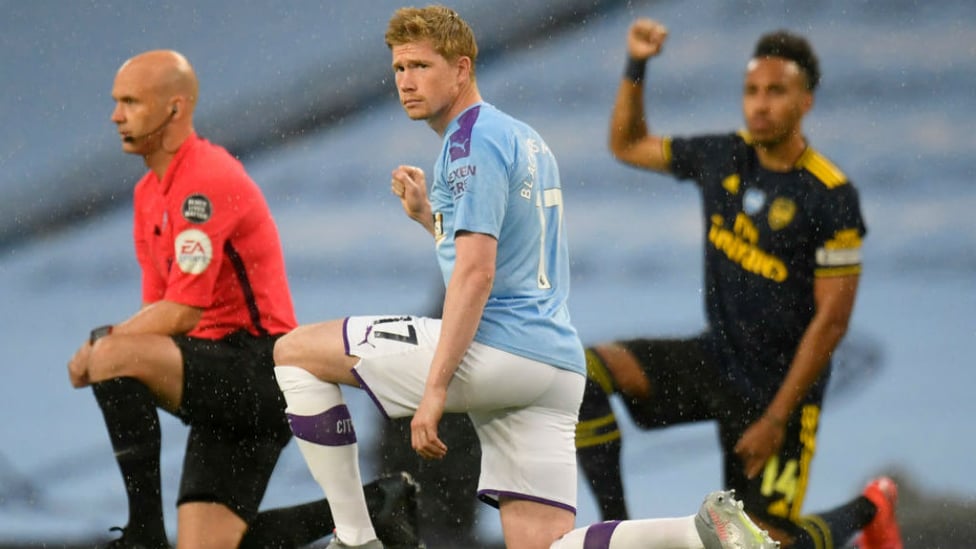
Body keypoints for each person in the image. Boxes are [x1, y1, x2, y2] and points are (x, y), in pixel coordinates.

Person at [272, 6, 779, 549]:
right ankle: (699, 533)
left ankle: (355, 538)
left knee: (296, 353)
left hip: (499, 351)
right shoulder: (524, 139)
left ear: (462, 69)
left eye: (420, 66)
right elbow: (502, 255)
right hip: (553, 366)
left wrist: (436, 389)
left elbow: (475, 274)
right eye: (398, 69)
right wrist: (430, 218)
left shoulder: (468, 143)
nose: (406, 82)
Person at [67, 49, 421, 549]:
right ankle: (375, 508)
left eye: (130, 102)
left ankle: (142, 532)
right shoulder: (149, 192)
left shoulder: (203, 179)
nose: (116, 115)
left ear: (174, 108)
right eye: (116, 102)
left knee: (112, 354)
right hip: (222, 387)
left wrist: (99, 347)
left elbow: (184, 311)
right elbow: (159, 314)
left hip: (258, 368)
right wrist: (111, 347)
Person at [575, 17, 903, 549]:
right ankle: (619, 531)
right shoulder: (723, 155)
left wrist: (776, 418)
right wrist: (637, 64)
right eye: (752, 91)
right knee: (585, 372)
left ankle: (873, 506)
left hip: (782, 393)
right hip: (718, 361)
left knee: (760, 546)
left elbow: (833, 320)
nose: (761, 103)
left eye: (777, 91)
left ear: (806, 102)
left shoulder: (830, 195)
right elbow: (627, 143)